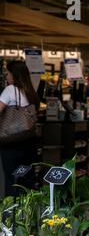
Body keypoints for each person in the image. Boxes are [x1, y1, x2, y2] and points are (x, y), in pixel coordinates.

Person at [0, 60, 39, 196]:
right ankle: (27, 212)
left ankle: (11, 214)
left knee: (12, 180)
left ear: (14, 75)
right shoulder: (30, 91)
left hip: (11, 143)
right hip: (28, 142)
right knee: (25, 177)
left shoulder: (10, 90)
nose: (6, 76)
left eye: (8, 73)